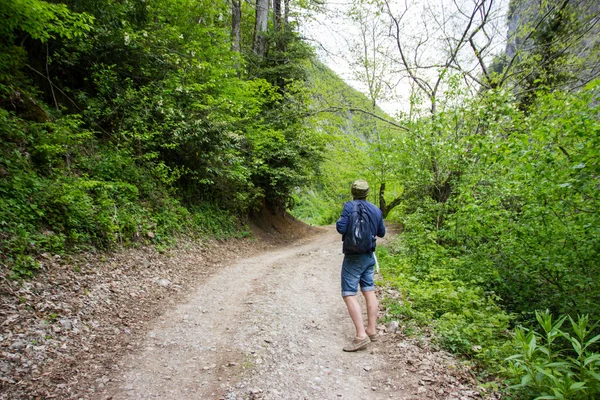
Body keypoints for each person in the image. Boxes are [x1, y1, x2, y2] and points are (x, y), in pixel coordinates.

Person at [336, 179, 386, 352]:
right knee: (369, 290)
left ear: (353, 192)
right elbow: (382, 232)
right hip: (369, 255)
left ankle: (360, 336)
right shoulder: (376, 209)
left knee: (349, 293)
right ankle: (371, 331)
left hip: (353, 256)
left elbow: (341, 228)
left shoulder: (349, 206)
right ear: (367, 192)